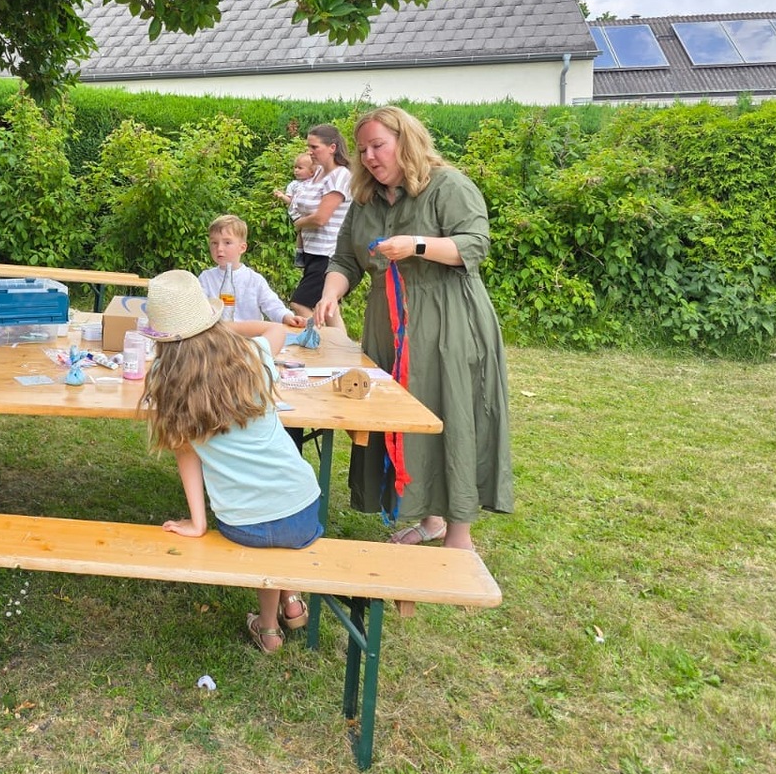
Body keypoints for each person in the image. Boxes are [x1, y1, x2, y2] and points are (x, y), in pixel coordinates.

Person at [313, 106, 513, 554]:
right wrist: (330, 293)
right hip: (388, 324)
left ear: (406, 141)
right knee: (404, 417)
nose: (369, 157)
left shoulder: (448, 186)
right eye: (362, 149)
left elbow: (474, 245)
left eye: (378, 146)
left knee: (450, 415)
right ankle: (430, 517)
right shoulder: (365, 200)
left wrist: (417, 245)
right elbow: (345, 260)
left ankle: (459, 535)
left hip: (447, 320)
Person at [140, 270, 322, 654]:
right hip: (303, 504)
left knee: (266, 533)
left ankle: (269, 628)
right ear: (211, 321)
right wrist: (221, 327)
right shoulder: (251, 356)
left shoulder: (164, 377)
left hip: (244, 522)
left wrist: (198, 523)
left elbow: (185, 453)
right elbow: (276, 328)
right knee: (278, 530)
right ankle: (291, 598)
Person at [289, 124, 352, 321]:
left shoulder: (340, 175)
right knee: (328, 309)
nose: (310, 152)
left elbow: (321, 218)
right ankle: (339, 341)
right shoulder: (318, 173)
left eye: (314, 147)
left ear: (332, 148)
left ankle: (318, 337)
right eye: (308, 146)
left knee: (300, 303)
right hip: (312, 251)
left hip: (328, 252)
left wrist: (299, 223)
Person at [196, 214, 304, 327]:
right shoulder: (206, 278)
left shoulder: (254, 280)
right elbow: (199, 309)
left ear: (242, 248)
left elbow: (272, 305)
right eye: (214, 243)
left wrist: (287, 317)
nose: (219, 248)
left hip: (249, 333)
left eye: (227, 243)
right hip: (219, 333)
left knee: (274, 331)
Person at [271, 151, 317, 265]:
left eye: (300, 168)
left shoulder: (315, 182)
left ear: (311, 171)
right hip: (297, 213)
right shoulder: (293, 185)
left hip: (310, 212)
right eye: (295, 167)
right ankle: (299, 253)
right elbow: (290, 201)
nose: (296, 170)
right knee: (301, 232)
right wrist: (282, 196)